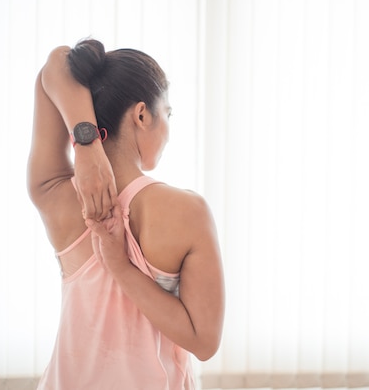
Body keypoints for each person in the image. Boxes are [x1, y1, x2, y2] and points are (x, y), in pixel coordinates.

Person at [27, 39, 225, 389]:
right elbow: (204, 341)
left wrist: (84, 145)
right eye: (168, 114)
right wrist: (122, 270)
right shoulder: (188, 212)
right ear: (142, 115)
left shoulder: (54, 193)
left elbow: (53, 67)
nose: (168, 129)